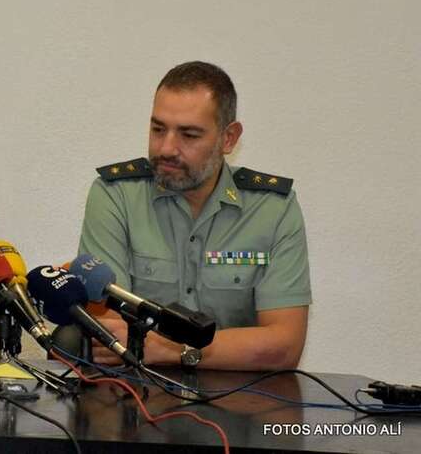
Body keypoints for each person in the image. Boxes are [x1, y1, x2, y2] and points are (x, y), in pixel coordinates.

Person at [78, 61, 311, 371]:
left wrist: (171, 349)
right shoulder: (116, 195)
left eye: (188, 135)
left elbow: (284, 345)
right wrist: (231, 349)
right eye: (158, 129)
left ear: (229, 139)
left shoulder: (272, 209)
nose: (166, 148)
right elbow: (109, 333)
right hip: (137, 397)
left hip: (241, 405)